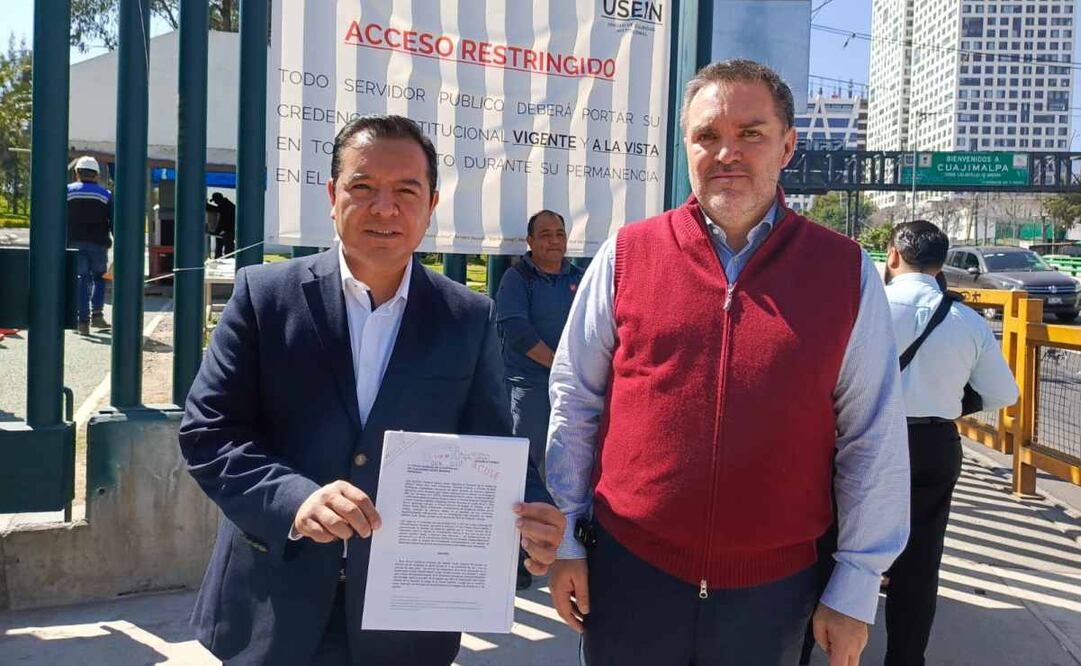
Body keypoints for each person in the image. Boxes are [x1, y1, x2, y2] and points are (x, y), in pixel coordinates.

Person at [545, 59, 910, 666]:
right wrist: (566, 538)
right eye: (707, 136)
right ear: (685, 146)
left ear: (787, 145)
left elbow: (870, 432)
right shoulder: (629, 254)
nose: (727, 153)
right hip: (631, 572)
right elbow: (575, 398)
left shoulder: (844, 272)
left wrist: (857, 582)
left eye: (751, 133)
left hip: (774, 591)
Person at [179, 115, 565, 666]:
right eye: (363, 188)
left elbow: (489, 447)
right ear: (333, 196)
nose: (385, 208)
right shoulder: (265, 298)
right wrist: (295, 499)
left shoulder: (467, 316)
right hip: (274, 606)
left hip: (408, 618)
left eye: (406, 191)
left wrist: (534, 512)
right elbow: (209, 434)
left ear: (431, 206)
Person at [882, 220, 1018, 666]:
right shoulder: (966, 319)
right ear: (941, 265)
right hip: (934, 445)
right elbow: (1004, 394)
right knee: (920, 563)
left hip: (870, 441)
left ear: (892, 254)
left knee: (842, 549)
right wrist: (953, 403)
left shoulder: (866, 307)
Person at [494, 209, 583, 590]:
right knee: (522, 472)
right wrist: (557, 363)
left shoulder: (578, 278)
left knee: (571, 465)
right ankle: (513, 557)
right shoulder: (518, 278)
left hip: (572, 388)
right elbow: (516, 329)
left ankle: (563, 549)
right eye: (545, 234)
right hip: (530, 388)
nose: (554, 241)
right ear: (530, 242)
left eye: (560, 233)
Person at [66, 155, 112, 335]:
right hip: (99, 244)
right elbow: (114, 220)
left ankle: (82, 321)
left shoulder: (68, 191)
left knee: (81, 279)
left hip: (74, 243)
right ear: (97, 175)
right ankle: (98, 316)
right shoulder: (105, 194)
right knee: (99, 278)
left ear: (77, 173)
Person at [207, 192, 236, 258]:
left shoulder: (227, 206)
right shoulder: (225, 205)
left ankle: (228, 261)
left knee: (228, 249)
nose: (215, 203)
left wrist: (220, 230)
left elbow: (216, 210)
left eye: (215, 201)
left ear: (218, 199)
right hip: (225, 231)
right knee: (220, 248)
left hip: (228, 231)